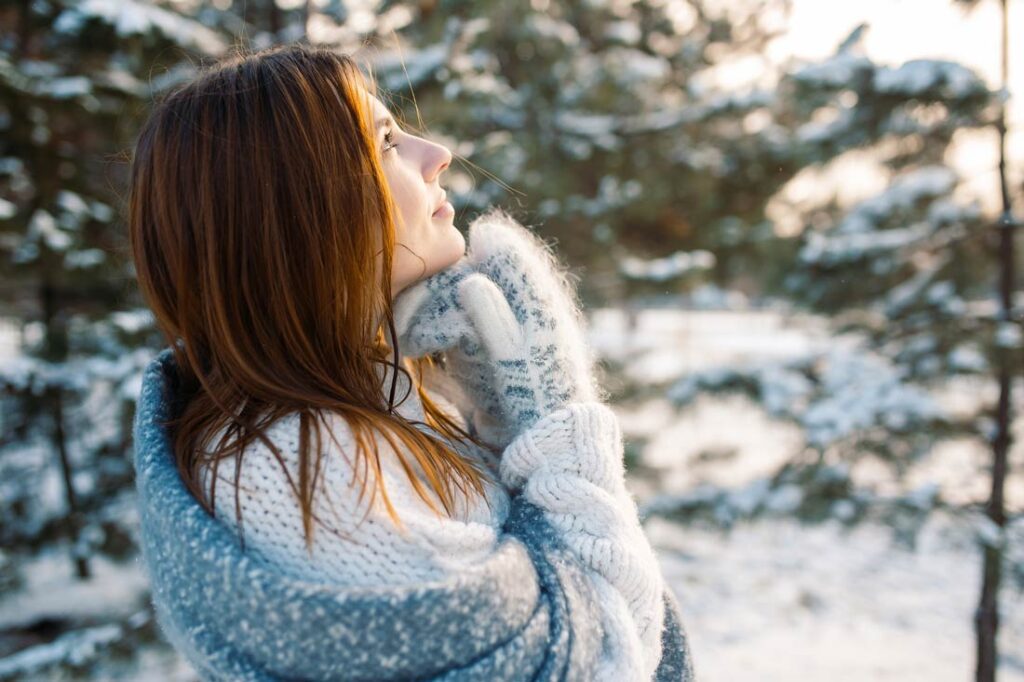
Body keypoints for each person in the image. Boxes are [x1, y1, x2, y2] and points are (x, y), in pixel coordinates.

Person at [127, 43, 694, 681]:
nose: (436, 154)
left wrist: (498, 412)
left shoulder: (362, 407)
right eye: (387, 141)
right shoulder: (303, 468)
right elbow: (599, 659)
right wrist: (554, 412)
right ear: (301, 207)